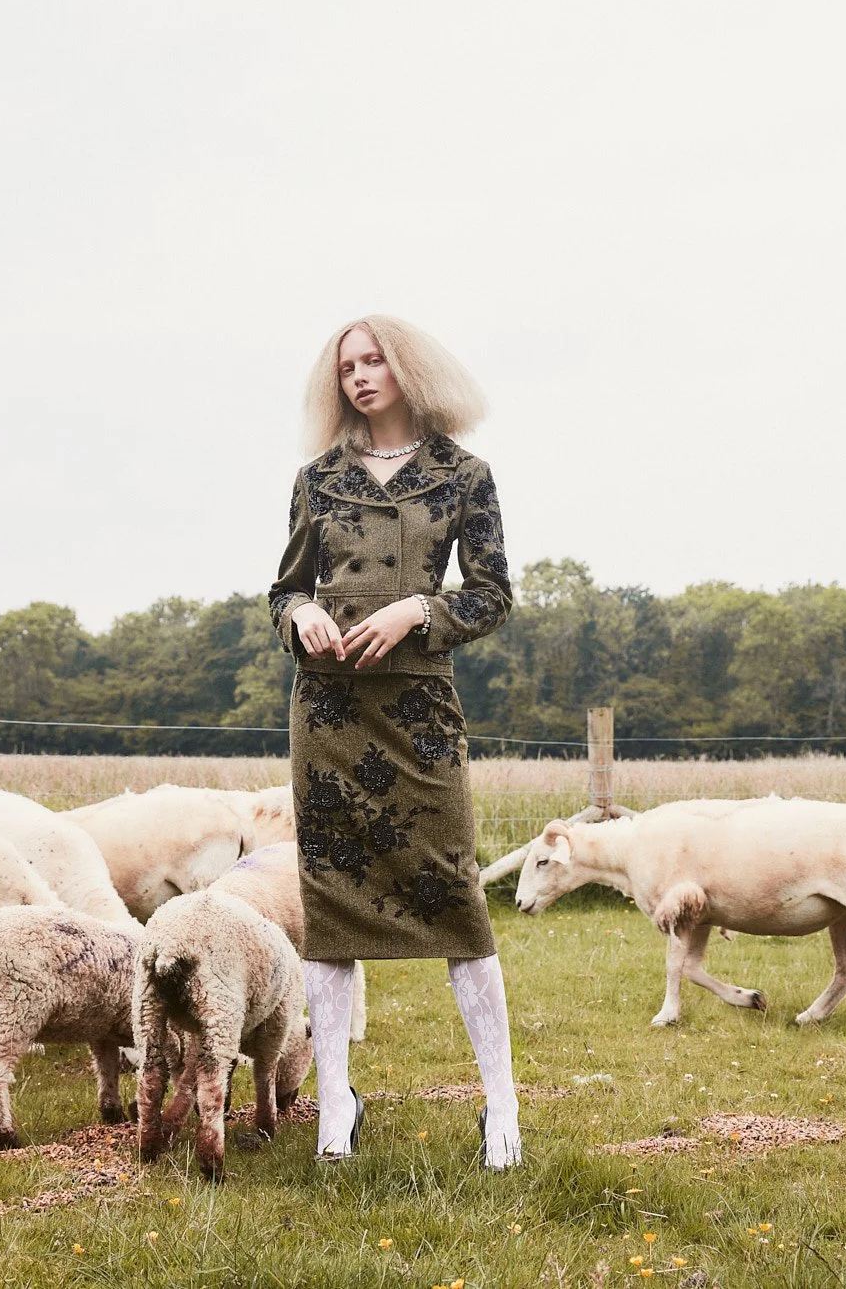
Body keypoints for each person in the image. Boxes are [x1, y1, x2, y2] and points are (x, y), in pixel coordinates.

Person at [268, 315, 522, 1169]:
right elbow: (283, 590)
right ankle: (336, 1103)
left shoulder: (464, 475)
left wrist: (419, 609)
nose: (360, 376)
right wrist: (302, 614)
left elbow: (492, 594)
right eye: (348, 366)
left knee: (458, 900)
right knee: (331, 909)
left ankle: (501, 1104)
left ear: (409, 368)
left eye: (374, 360)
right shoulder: (318, 479)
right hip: (330, 714)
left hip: (418, 714)